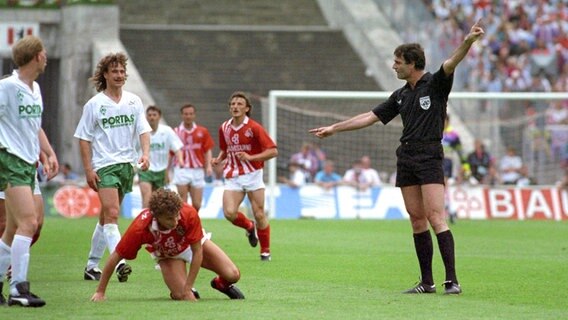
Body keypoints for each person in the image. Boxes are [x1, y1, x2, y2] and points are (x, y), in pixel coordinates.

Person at [310, 20, 485, 295]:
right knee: (416, 219)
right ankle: (426, 282)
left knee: (436, 216)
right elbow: (370, 116)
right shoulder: (401, 95)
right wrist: (335, 128)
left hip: (429, 154)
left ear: (412, 63)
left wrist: (468, 41)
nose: (394, 66)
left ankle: (452, 280)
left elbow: (451, 62)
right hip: (406, 156)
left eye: (398, 62)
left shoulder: (435, 84)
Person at [74, 52, 151, 284]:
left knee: (105, 216)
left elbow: (143, 130)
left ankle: (91, 265)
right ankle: (119, 263)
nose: (119, 75)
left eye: (121, 71)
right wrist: (88, 169)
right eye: (114, 71)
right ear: (105, 74)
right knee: (114, 214)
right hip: (104, 165)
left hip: (126, 165)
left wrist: (145, 153)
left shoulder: (134, 101)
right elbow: (83, 138)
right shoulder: (94, 105)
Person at [90, 189, 244, 302]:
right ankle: (177, 289)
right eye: (170, 218)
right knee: (183, 297)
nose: (176, 220)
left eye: (177, 214)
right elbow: (116, 256)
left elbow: (197, 252)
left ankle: (220, 284)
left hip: (190, 246)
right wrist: (100, 291)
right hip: (168, 255)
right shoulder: (141, 227)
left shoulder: (188, 213)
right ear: (156, 216)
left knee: (233, 274)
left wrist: (187, 287)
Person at [0, 35, 59, 307]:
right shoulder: (7, 87)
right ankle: (18, 289)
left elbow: (34, 127)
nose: (46, 56)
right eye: (43, 52)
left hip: (27, 162)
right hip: (9, 160)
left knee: (13, 229)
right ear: (35, 56)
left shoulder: (35, 89)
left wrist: (48, 152)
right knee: (29, 222)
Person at [211, 91, 278, 261]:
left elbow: (273, 151)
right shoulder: (224, 127)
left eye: (240, 104)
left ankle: (265, 252)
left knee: (260, 213)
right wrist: (219, 159)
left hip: (253, 174)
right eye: (233, 104)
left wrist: (251, 158)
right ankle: (249, 227)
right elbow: (226, 149)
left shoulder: (254, 128)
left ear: (247, 108)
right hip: (233, 175)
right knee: (229, 213)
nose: (235, 106)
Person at [139, 105, 183, 208]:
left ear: (159, 116)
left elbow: (177, 148)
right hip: (145, 169)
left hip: (161, 170)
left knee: (157, 200)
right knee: (147, 197)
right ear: (146, 117)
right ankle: (145, 222)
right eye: (149, 115)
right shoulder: (141, 131)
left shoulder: (167, 131)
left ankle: (154, 222)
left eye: (154, 115)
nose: (152, 117)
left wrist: (180, 160)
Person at [172, 104, 214, 212]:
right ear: (182, 115)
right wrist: (167, 170)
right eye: (186, 114)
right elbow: (171, 152)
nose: (188, 116)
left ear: (194, 115)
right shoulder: (175, 132)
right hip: (181, 169)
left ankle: (193, 223)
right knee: (183, 202)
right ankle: (184, 227)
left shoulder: (202, 131)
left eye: (190, 114)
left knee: (197, 204)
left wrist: (208, 166)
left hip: (198, 169)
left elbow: (207, 150)